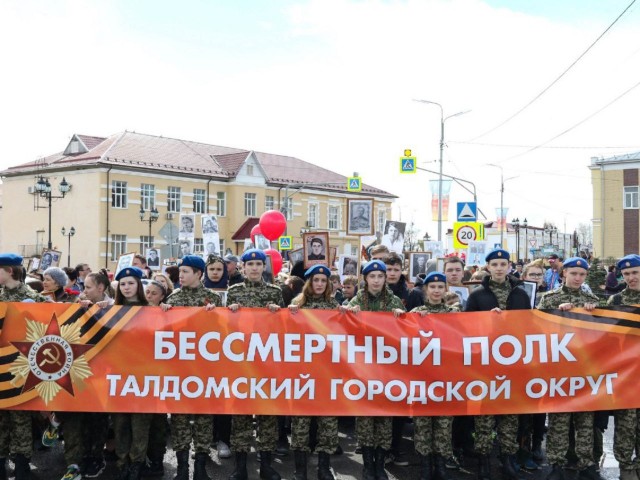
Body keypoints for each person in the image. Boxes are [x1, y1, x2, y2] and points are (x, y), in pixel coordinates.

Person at [465, 248, 532, 480]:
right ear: (488, 267)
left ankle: (507, 459)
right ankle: (484, 460)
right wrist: (486, 321)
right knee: (484, 415)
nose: (500, 268)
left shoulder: (521, 295)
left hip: (512, 365)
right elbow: (465, 329)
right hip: (484, 365)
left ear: (509, 266)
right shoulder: (477, 296)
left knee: (509, 415)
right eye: (495, 264)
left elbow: (530, 328)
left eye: (504, 264)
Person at [537, 257, 602, 480]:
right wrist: (556, 313)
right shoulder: (549, 299)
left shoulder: (591, 299)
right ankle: (556, 463)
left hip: (585, 369)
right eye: (573, 273)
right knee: (558, 419)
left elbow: (604, 333)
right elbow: (534, 330)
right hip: (558, 369)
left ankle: (586, 464)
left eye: (582, 275)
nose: (577, 278)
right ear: (564, 273)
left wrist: (594, 312)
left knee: (585, 420)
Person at [226, 249, 285, 480]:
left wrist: (276, 312)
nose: (253, 268)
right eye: (249, 264)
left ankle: (267, 466)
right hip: (241, 361)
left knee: (266, 414)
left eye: (258, 264)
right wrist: (231, 313)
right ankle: (240, 467)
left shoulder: (275, 292)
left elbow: (283, 328)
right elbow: (227, 327)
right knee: (240, 414)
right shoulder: (234, 292)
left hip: (266, 362)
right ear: (242, 267)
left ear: (263, 267)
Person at [346, 260, 405, 480]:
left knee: (384, 419)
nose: (377, 280)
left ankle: (380, 464)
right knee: (365, 419)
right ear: (366, 279)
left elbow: (407, 334)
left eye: (381, 276)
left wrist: (401, 317)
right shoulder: (356, 300)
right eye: (373, 277)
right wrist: (349, 314)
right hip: (363, 369)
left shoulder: (394, 301)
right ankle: (368, 464)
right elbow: (342, 329)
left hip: (387, 370)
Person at [166, 255, 222, 480]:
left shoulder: (213, 299)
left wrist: (215, 317)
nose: (181, 275)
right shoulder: (173, 298)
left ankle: (200, 467)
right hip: (180, 369)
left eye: (186, 271)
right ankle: (181, 469)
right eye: (180, 271)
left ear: (199, 274)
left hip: (205, 368)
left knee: (204, 418)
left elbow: (225, 332)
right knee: (179, 417)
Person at [0, 253, 51, 480]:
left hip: (21, 366)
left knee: (20, 418)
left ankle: (22, 465)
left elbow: (54, 322)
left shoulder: (33, 298)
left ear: (9, 271)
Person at [288, 265, 341, 480]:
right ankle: (300, 470)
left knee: (328, 423)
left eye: (323, 280)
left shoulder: (333, 305)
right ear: (309, 283)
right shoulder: (296, 305)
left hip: (327, 374)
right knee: (301, 423)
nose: (319, 284)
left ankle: (323, 468)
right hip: (302, 373)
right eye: (316, 280)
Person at [410, 272, 458, 480]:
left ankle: (441, 465)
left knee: (444, 424)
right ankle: (425, 465)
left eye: (440, 287)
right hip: (422, 378)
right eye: (433, 287)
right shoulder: (416, 312)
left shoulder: (453, 314)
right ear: (426, 289)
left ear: (445, 289)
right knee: (422, 424)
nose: (437, 290)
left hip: (446, 379)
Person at [110, 266, 152, 480]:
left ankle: (137, 461)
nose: (127, 287)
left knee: (140, 422)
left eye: (131, 283)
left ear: (138, 285)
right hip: (118, 375)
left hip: (144, 375)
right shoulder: (111, 309)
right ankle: (122, 460)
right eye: (123, 284)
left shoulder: (150, 309)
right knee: (120, 422)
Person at [609, 255, 640, 480]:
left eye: (635, 272)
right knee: (626, 423)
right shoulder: (617, 300)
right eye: (627, 274)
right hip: (627, 374)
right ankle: (626, 466)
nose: (631, 277)